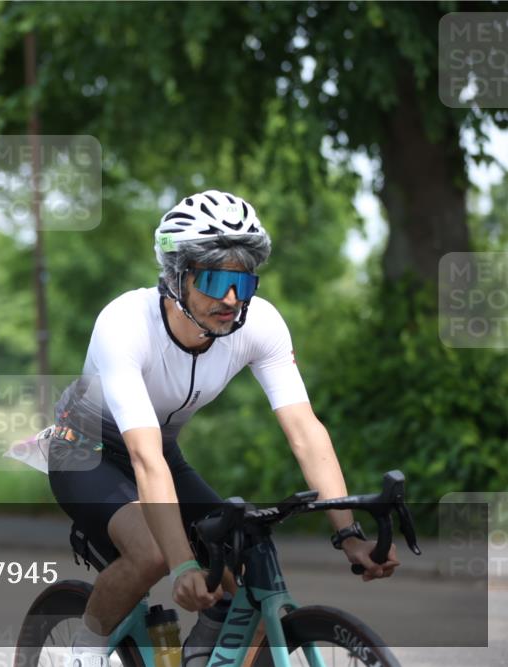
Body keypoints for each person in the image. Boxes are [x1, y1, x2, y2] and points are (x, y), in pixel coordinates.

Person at [48, 191, 400, 667]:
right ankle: (84, 654)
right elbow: (144, 459)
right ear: (178, 277)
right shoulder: (124, 324)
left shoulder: (260, 325)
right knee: (152, 553)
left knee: (244, 558)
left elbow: (304, 430)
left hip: (163, 456)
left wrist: (349, 534)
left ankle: (200, 655)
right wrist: (181, 565)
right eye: (215, 280)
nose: (232, 299)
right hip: (84, 452)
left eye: (244, 282)